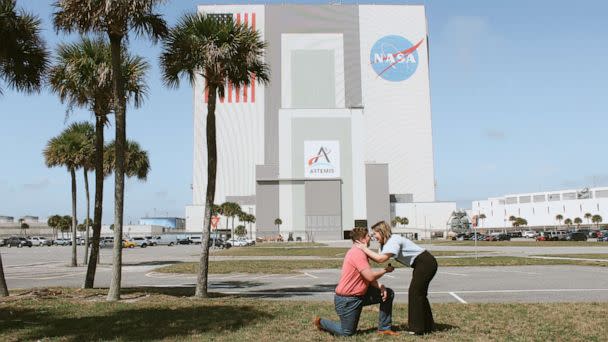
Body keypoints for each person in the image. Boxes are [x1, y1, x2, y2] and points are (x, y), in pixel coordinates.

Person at [314, 227, 398, 336]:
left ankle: (384, 328)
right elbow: (370, 276)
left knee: (388, 293)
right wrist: (385, 270)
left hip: (361, 295)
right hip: (348, 300)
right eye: (368, 236)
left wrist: (380, 286)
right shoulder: (357, 253)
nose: (370, 238)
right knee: (346, 333)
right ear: (362, 239)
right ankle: (321, 322)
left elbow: (365, 277)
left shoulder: (362, 252)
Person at [356, 221, 438, 335]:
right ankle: (428, 326)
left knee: (415, 293)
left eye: (375, 234)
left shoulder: (393, 240)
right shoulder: (385, 244)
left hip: (425, 263)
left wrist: (364, 249)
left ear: (382, 231)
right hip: (421, 264)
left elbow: (381, 259)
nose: (374, 237)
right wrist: (363, 250)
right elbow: (378, 258)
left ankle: (416, 329)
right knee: (420, 294)